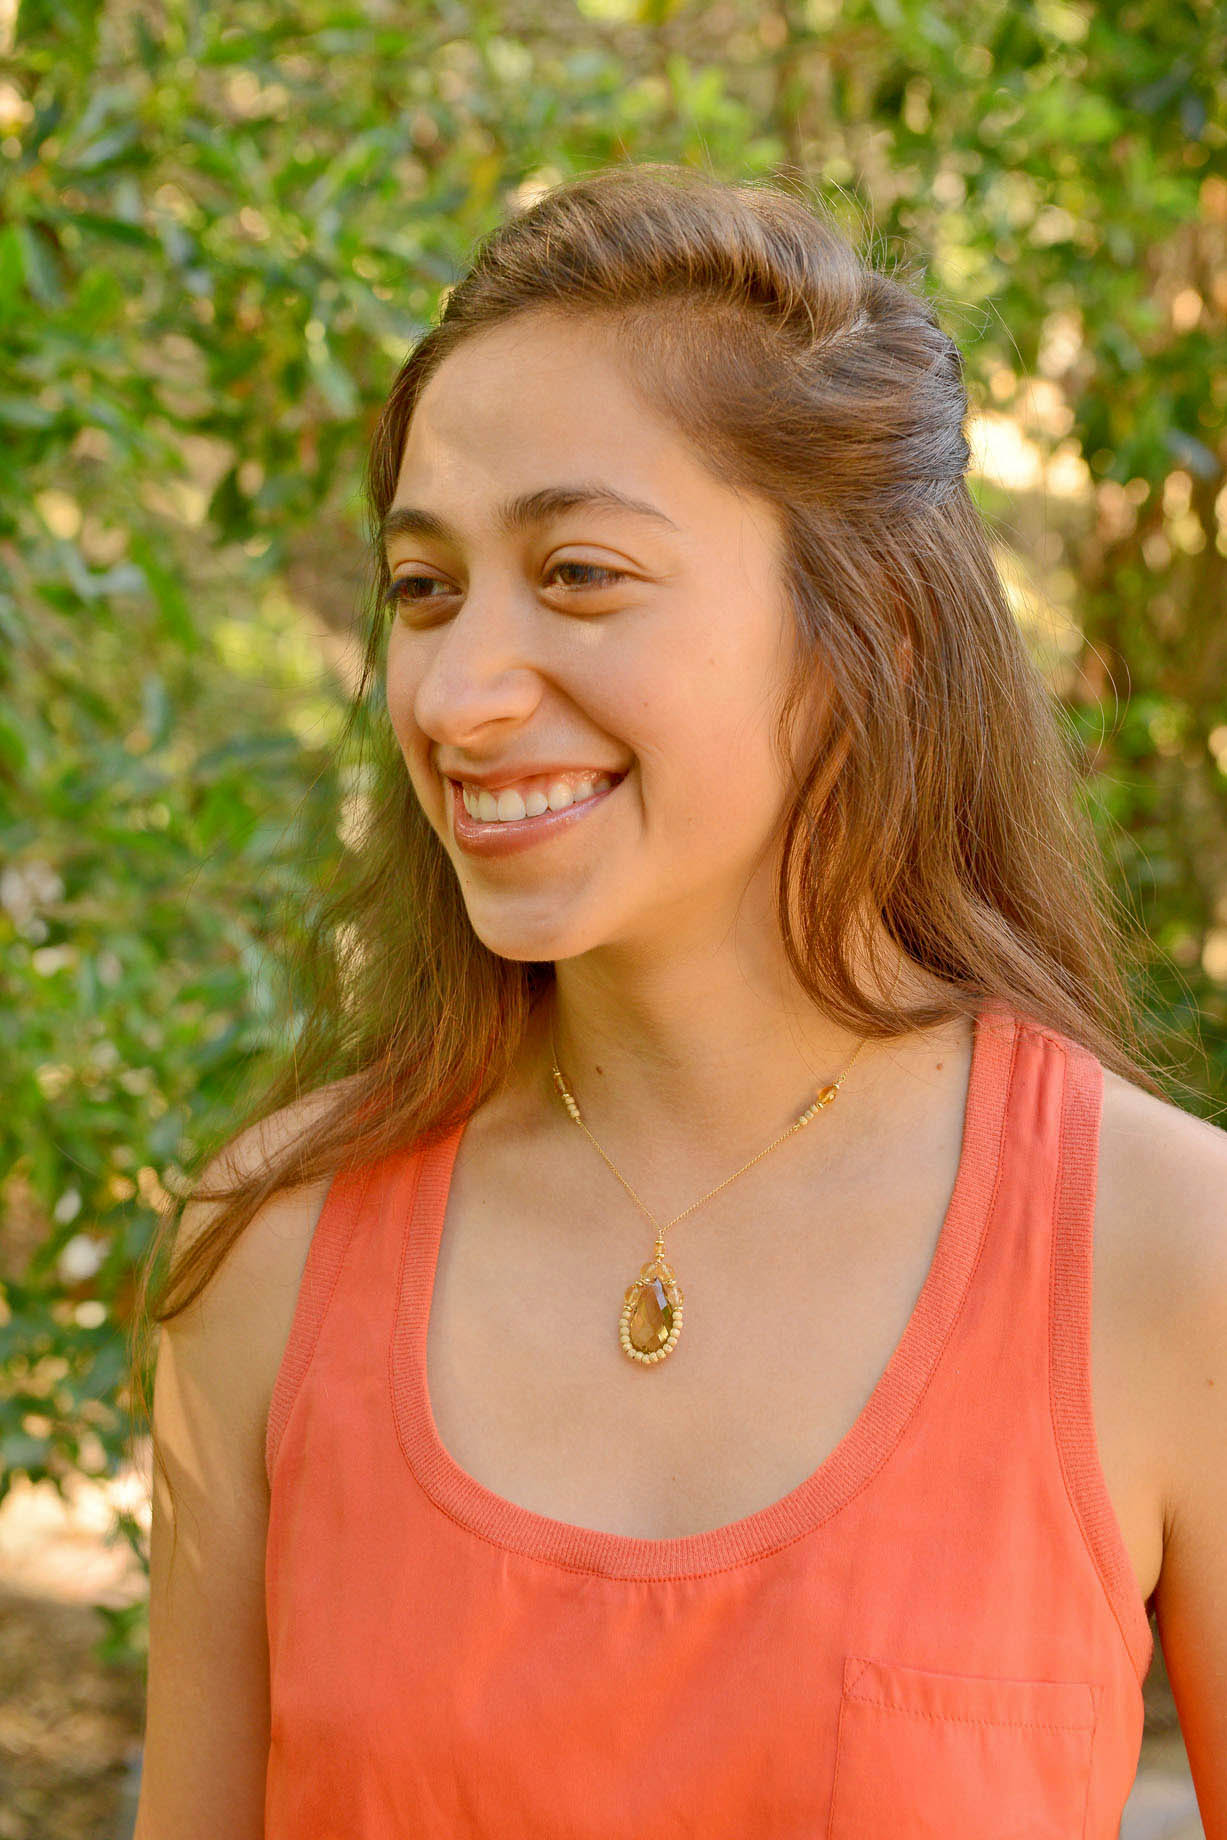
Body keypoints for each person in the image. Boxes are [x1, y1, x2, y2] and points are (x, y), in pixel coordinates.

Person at [130, 163, 1227, 1838]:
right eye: (424, 589)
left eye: (579, 573)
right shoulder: (270, 1255)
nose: (457, 696)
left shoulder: (1168, 1258)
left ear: (877, 630)